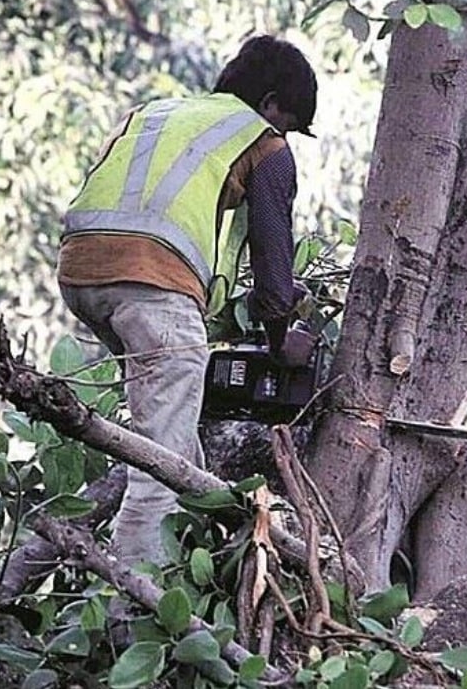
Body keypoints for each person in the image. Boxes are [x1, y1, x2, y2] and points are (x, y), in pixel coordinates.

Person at [57, 34, 318, 567]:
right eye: (288, 121)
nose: (284, 133)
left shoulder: (156, 113)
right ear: (270, 105)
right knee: (162, 467)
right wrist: (278, 342)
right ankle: (134, 610)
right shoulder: (264, 143)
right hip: (151, 279)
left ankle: (194, 553)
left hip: (82, 267)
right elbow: (273, 261)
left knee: (176, 442)